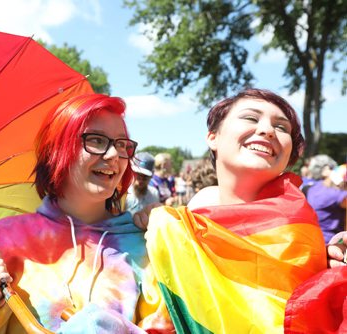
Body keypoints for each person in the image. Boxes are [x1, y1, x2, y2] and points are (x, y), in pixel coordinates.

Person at [0, 94, 173, 333]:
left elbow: (166, 326)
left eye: (122, 144)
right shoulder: (5, 238)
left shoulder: (143, 241)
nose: (114, 155)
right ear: (59, 149)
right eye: (96, 140)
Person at [139, 88, 347, 333]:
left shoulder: (301, 225)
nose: (268, 130)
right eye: (251, 118)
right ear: (213, 137)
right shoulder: (179, 224)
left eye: (282, 127)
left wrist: (331, 270)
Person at [305, 154, 347, 243]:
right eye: (333, 169)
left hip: (311, 239)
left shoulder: (312, 189)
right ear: (327, 170)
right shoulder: (333, 193)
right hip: (330, 243)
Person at [125, 151, 160, 216]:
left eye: (145, 177)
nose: (140, 180)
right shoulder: (123, 193)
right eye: (137, 175)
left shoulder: (154, 194)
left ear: (151, 176)